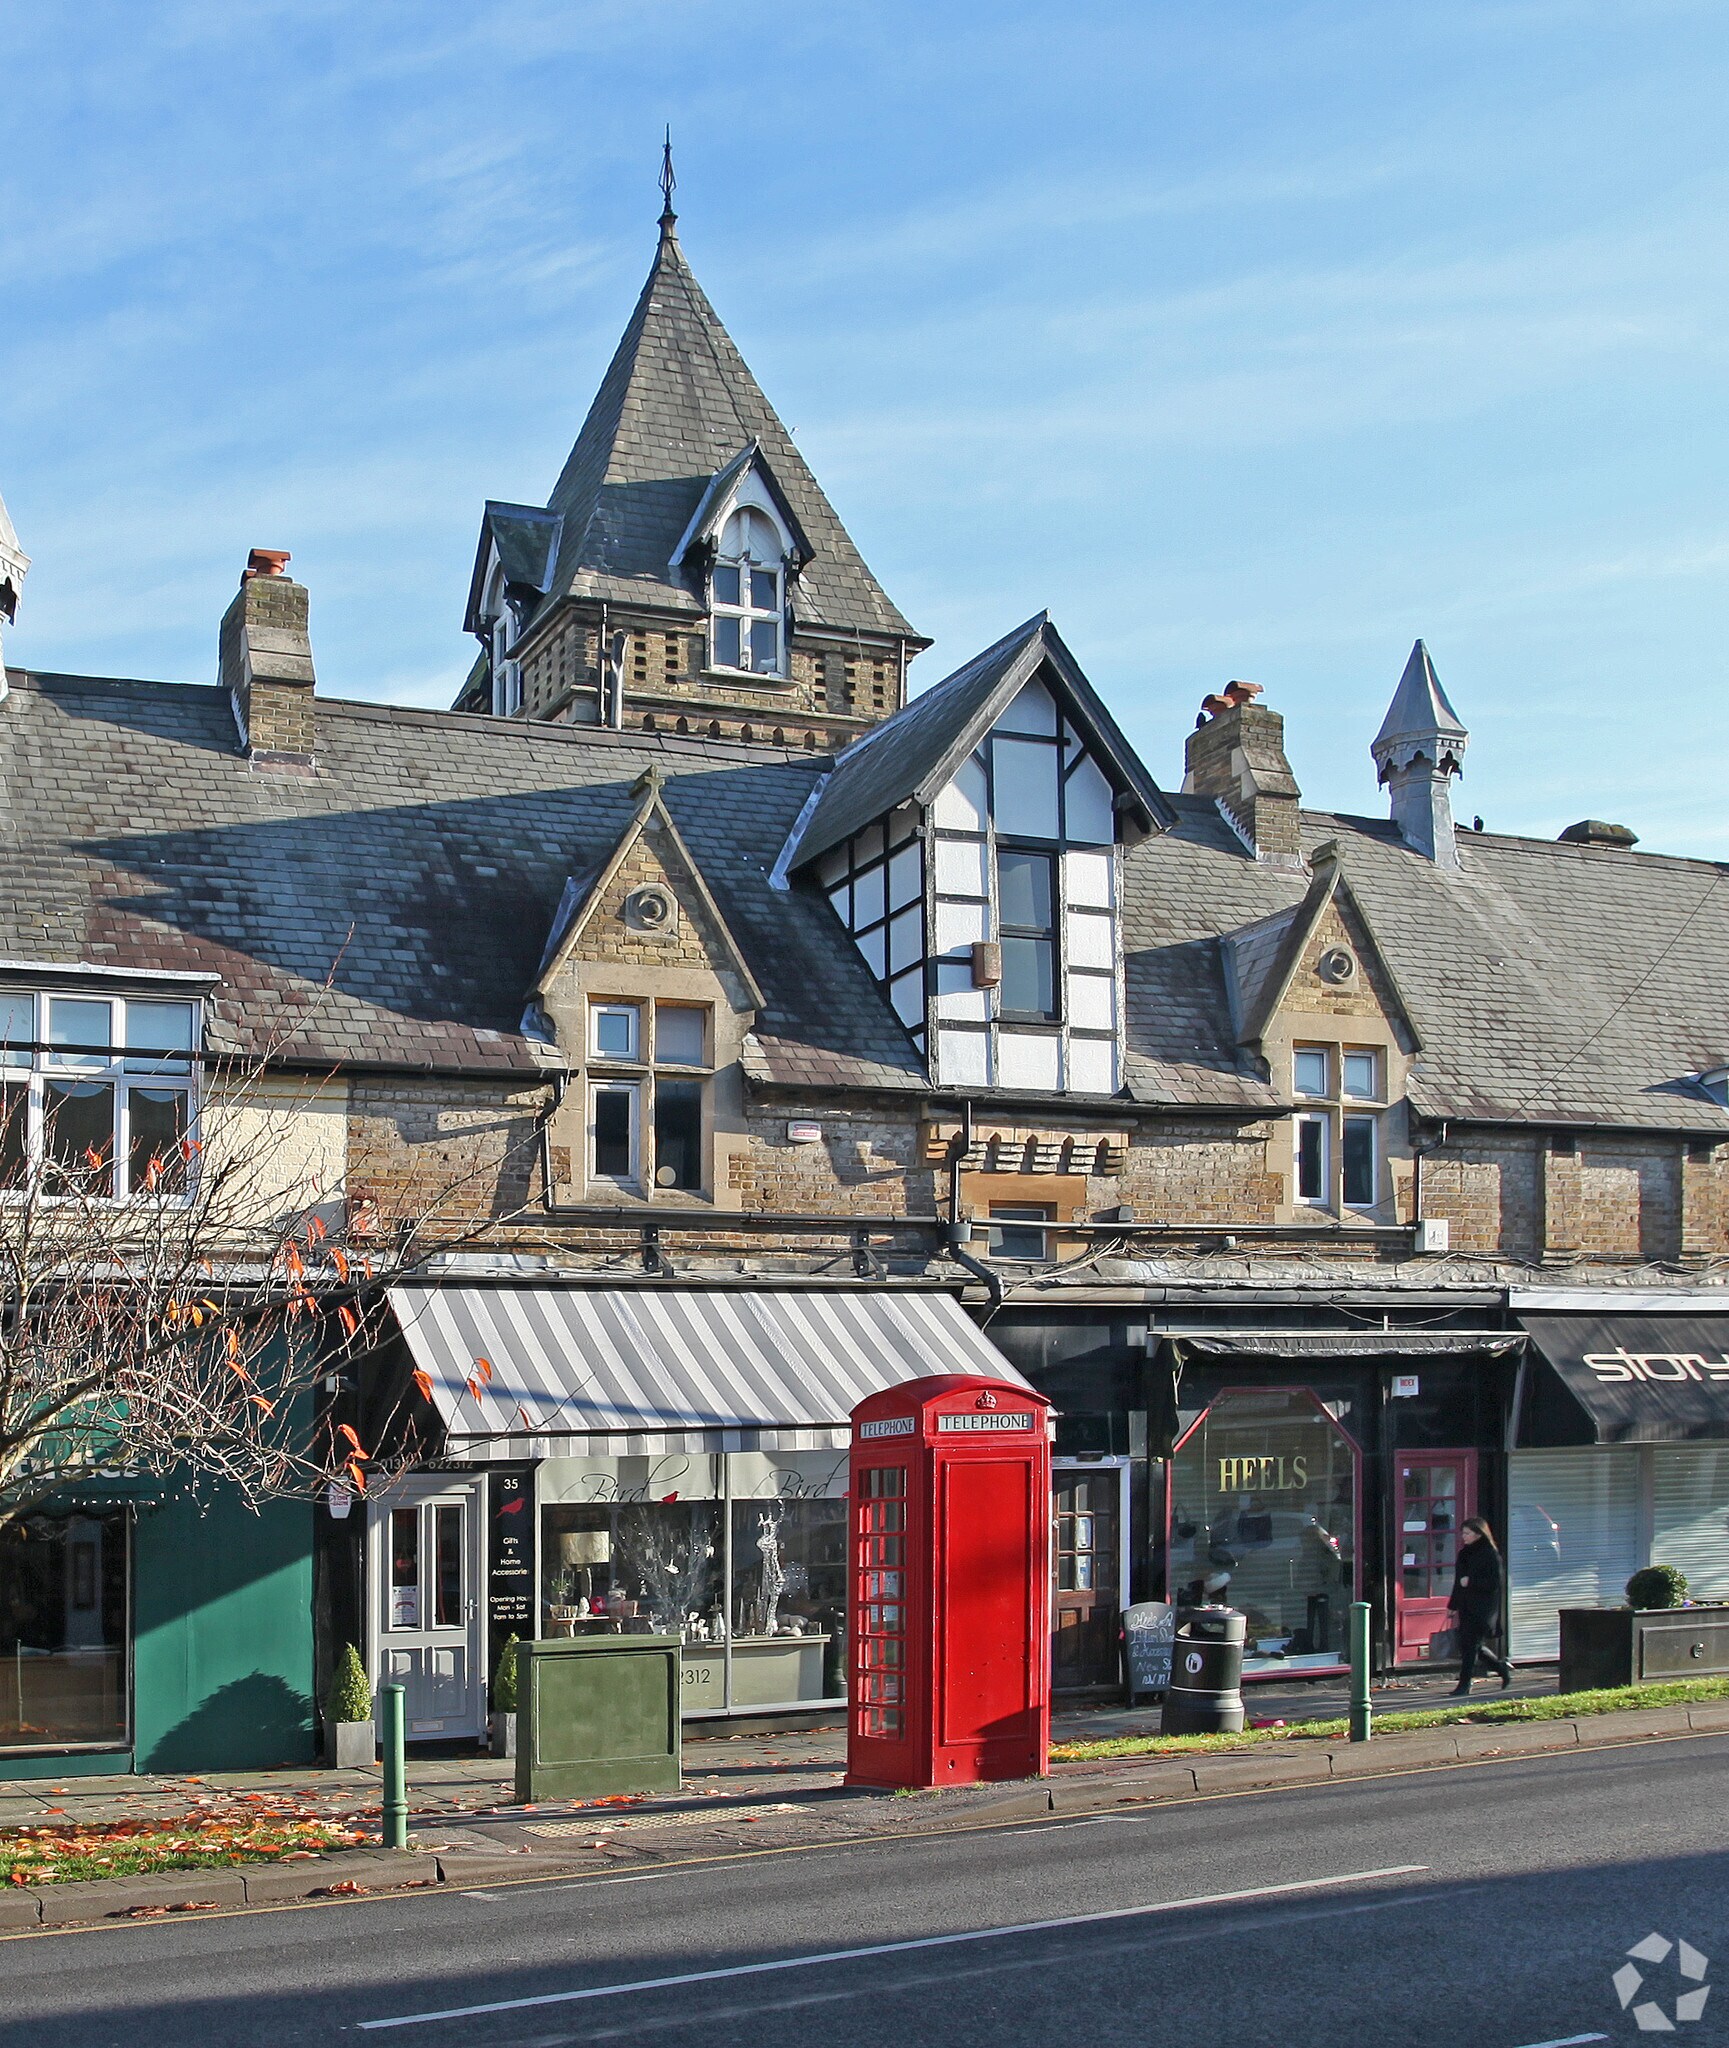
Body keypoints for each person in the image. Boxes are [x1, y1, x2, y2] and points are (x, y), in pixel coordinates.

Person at [1448, 1515, 1513, 1693]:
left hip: (1484, 1607)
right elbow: (1458, 1582)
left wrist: (1471, 1581)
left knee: (1471, 1645)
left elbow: (1494, 1583)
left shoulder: (1490, 1554)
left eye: (1467, 1533)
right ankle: (1500, 1668)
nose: (1464, 1536)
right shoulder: (1464, 1554)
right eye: (1463, 1533)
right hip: (1466, 1605)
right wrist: (1452, 1606)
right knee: (1469, 1644)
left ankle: (1464, 1684)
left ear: (1479, 1534)